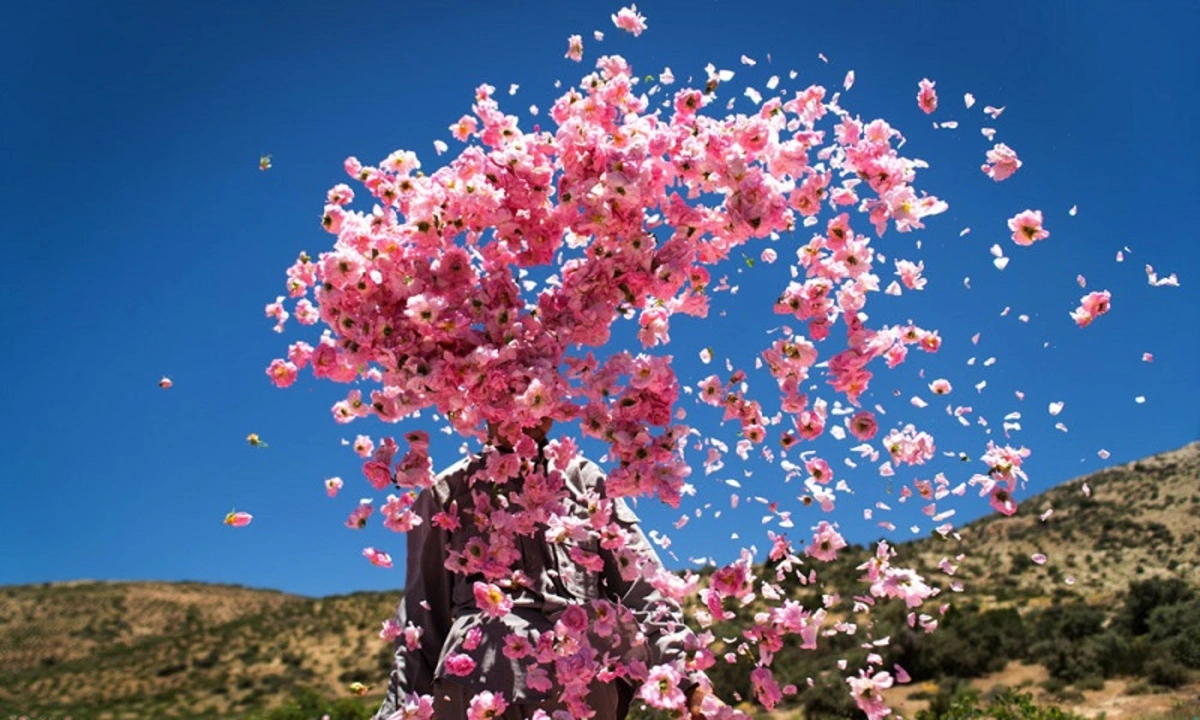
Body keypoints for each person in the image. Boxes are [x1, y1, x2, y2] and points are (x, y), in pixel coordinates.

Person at [372, 417, 721, 720]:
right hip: (473, 688)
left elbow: (642, 587)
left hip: (580, 693)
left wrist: (688, 681)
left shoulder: (585, 480)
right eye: (508, 389)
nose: (523, 410)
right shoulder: (447, 492)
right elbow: (422, 622)